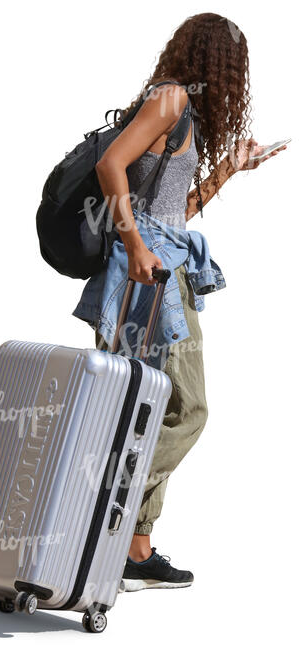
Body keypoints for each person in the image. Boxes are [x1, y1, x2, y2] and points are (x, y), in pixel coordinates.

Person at [73, 13, 286, 591]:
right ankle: (98, 503)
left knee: (146, 403)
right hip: (145, 278)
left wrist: (227, 171)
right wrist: (137, 245)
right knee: (186, 409)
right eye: (233, 67)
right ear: (214, 62)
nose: (235, 82)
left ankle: (135, 549)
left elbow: (176, 211)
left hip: (164, 268)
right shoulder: (169, 100)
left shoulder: (179, 110)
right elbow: (108, 164)